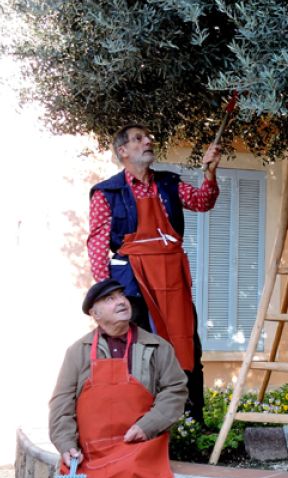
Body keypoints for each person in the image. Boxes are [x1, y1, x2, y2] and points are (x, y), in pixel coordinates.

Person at [34, 279, 188, 478]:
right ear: (95, 314)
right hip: (89, 452)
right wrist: (67, 445)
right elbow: (61, 404)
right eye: (109, 299)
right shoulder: (77, 352)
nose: (120, 301)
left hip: (137, 448)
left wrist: (147, 426)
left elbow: (175, 391)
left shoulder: (158, 347)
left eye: (121, 296)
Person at [87, 124, 220, 421]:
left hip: (172, 278)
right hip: (132, 282)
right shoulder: (106, 193)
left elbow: (202, 201)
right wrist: (109, 295)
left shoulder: (169, 184)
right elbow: (97, 243)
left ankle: (191, 419)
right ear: (123, 151)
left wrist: (209, 174)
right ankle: (139, 419)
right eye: (138, 139)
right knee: (138, 351)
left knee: (186, 345)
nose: (149, 141)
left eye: (148, 136)